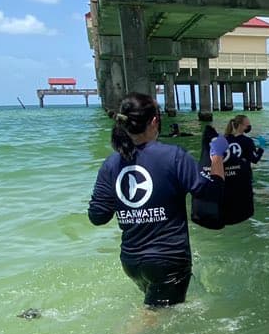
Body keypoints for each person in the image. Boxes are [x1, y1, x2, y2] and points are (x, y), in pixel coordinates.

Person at [88, 93, 226, 306]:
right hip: (168, 261)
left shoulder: (111, 164)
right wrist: (216, 157)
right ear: (154, 121)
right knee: (153, 317)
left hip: (131, 262)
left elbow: (97, 216)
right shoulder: (174, 156)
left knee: (163, 311)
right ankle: (127, 331)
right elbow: (211, 193)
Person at [221, 114, 265, 225]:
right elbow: (255, 159)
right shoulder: (247, 141)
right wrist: (261, 148)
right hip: (243, 179)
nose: (249, 126)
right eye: (247, 124)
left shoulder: (224, 140)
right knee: (244, 210)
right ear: (241, 126)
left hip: (227, 178)